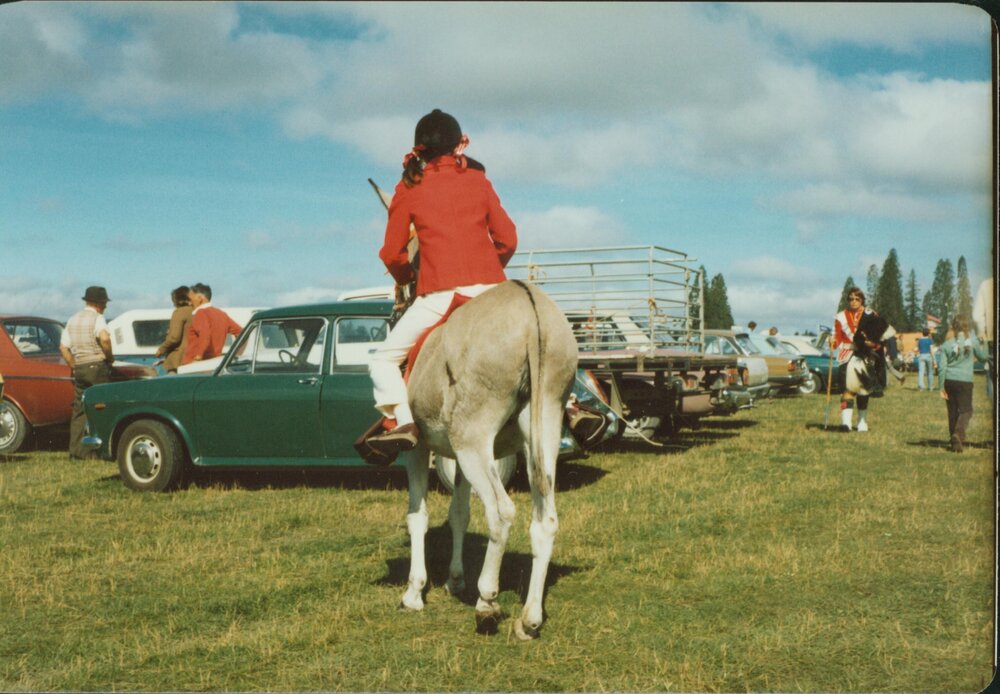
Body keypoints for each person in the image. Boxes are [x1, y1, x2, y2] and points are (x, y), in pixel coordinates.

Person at [366, 109, 517, 456]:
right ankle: (571, 405)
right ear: (457, 145)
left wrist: (410, 278)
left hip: (439, 294)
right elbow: (508, 239)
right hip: (493, 289)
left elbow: (391, 253)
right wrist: (488, 269)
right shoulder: (479, 181)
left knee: (383, 360)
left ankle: (403, 422)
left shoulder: (408, 188)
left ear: (419, 150)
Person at [59, 286, 114, 459]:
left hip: (80, 368)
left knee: (80, 410)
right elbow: (104, 338)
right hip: (97, 366)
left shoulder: (72, 319)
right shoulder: (98, 318)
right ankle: (102, 450)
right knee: (102, 408)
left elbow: (63, 347)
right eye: (104, 303)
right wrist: (109, 356)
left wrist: (75, 364)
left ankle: (76, 452)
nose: (105, 307)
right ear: (99, 303)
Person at [831, 287, 879, 432]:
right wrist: (832, 341)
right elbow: (837, 338)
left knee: (863, 390)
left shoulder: (871, 315)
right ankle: (845, 423)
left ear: (862, 300)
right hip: (847, 355)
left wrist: (874, 344)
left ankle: (861, 422)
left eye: (857, 299)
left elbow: (877, 336)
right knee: (847, 389)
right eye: (851, 299)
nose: (853, 301)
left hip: (864, 355)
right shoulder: (840, 317)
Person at [938, 318, 989, 453]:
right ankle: (958, 434)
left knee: (952, 411)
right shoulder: (973, 342)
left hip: (949, 380)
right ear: (967, 328)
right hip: (965, 381)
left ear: (953, 328)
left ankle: (954, 443)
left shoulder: (947, 345)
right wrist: (985, 344)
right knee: (966, 410)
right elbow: (983, 357)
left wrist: (941, 387)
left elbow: (942, 367)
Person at [181, 283, 242, 365]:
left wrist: (199, 356)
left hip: (194, 365)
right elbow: (241, 332)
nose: (189, 303)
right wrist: (236, 354)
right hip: (214, 364)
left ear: (200, 298)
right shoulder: (221, 314)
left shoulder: (200, 313)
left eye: (190, 299)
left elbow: (205, 335)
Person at [154, 286, 194, 374]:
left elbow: (174, 337)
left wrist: (161, 349)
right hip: (192, 358)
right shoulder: (195, 311)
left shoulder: (179, 312)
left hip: (178, 360)